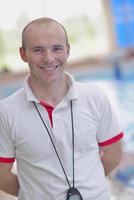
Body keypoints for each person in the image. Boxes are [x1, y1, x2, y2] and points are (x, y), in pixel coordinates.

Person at [0, 17, 124, 200]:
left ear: (67, 50)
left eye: (56, 48)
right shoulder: (6, 111)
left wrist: (91, 183)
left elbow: (114, 153)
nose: (49, 58)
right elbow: (2, 175)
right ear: (23, 54)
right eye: (38, 50)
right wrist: (33, 194)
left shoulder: (94, 97)